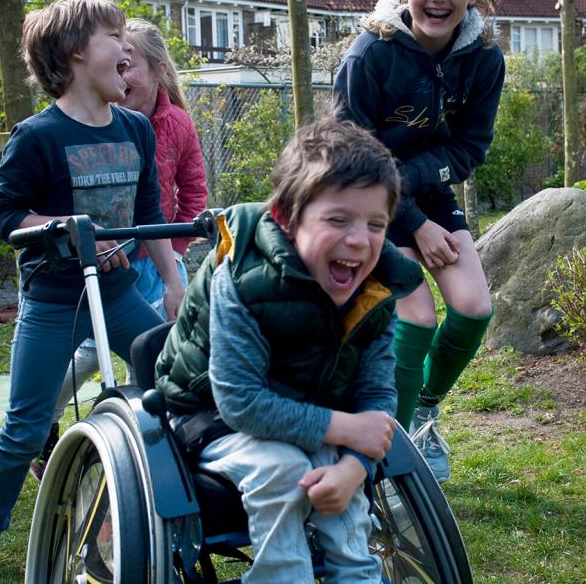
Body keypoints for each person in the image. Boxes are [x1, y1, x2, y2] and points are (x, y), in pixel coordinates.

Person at [0, 0, 184, 584]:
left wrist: (174, 281)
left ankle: (169, 517)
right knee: (26, 425)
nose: (126, 46)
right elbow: (4, 215)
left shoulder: (134, 128)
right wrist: (58, 229)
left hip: (122, 293)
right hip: (53, 303)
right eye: (113, 35)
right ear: (77, 52)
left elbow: (149, 208)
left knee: (177, 388)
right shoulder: (38, 136)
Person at [154, 116, 423, 582]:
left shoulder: (376, 290)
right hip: (209, 413)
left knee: (329, 464)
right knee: (284, 470)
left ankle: (357, 575)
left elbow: (376, 404)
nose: (359, 239)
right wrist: (344, 428)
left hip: (303, 410)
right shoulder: (240, 280)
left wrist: (356, 469)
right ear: (286, 218)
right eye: (337, 219)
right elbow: (240, 401)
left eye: (376, 224)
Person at [333, 0, 503, 482]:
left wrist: (420, 199)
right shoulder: (369, 57)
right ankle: (394, 450)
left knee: (475, 307)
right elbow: (353, 156)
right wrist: (410, 220)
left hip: (429, 196)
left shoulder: (483, 59)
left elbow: (471, 146)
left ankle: (424, 411)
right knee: (417, 312)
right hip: (365, 205)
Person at [32, 17, 208, 479]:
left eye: (133, 64)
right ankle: (46, 424)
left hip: (158, 256)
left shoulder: (172, 125)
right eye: (118, 58)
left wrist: (172, 250)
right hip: (104, 266)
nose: (125, 75)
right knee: (88, 353)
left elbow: (190, 193)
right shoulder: (84, 125)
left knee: (152, 357)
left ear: (157, 72)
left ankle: (141, 459)